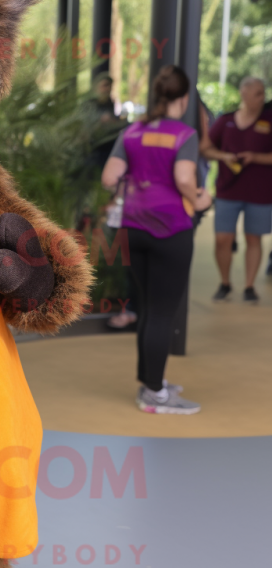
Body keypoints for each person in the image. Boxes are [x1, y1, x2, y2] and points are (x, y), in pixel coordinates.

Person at [102, 65, 211, 415]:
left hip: (133, 229)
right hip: (171, 230)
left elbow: (110, 177)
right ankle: (154, 394)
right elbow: (184, 178)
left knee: (149, 307)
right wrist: (200, 200)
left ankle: (151, 380)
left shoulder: (132, 132)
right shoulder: (184, 135)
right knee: (162, 313)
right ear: (184, 98)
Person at [203, 77, 272, 303]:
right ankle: (225, 283)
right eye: (258, 93)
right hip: (228, 190)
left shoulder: (269, 120)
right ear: (244, 95)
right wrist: (224, 156)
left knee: (254, 238)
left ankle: (249, 286)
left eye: (263, 92)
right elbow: (206, 148)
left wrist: (255, 157)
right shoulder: (226, 121)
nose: (262, 97)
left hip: (260, 193)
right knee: (223, 239)